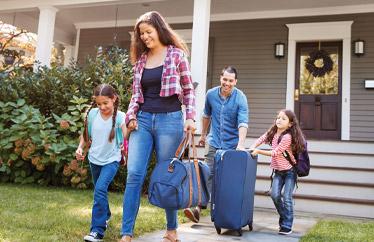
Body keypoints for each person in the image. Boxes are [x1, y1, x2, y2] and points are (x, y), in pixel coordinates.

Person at [120, 11, 196, 242]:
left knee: (167, 177)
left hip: (170, 120)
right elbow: (135, 95)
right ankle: (126, 233)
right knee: (134, 174)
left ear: (159, 30)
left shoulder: (176, 55)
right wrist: (131, 116)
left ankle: (171, 230)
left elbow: (188, 89)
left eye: (148, 32)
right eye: (141, 33)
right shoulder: (141, 60)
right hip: (143, 120)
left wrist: (190, 117)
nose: (144, 37)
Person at [183, 66, 249, 223]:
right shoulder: (211, 94)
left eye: (231, 80)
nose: (227, 83)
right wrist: (203, 135)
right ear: (221, 78)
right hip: (213, 141)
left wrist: (240, 144)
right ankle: (198, 208)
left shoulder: (240, 98)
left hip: (232, 145)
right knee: (207, 173)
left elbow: (243, 122)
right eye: (225, 79)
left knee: (228, 179)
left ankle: (225, 213)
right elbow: (206, 115)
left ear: (235, 81)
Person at [75, 84, 127, 242]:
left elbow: (126, 135)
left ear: (114, 99)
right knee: (100, 191)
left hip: (112, 159)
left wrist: (130, 128)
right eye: (99, 104)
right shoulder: (92, 115)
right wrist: (79, 148)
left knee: (99, 189)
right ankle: (107, 214)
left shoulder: (120, 117)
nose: (102, 107)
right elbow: (85, 135)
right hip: (94, 159)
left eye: (106, 103)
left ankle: (97, 230)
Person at [249, 109, 306, 235]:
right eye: (278, 117)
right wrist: (253, 146)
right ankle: (286, 217)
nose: (279, 120)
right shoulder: (273, 132)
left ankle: (287, 225)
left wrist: (258, 151)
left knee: (286, 197)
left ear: (290, 124)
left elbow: (275, 153)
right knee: (275, 195)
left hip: (290, 172)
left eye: (283, 118)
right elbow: (262, 138)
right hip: (278, 172)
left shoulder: (287, 137)